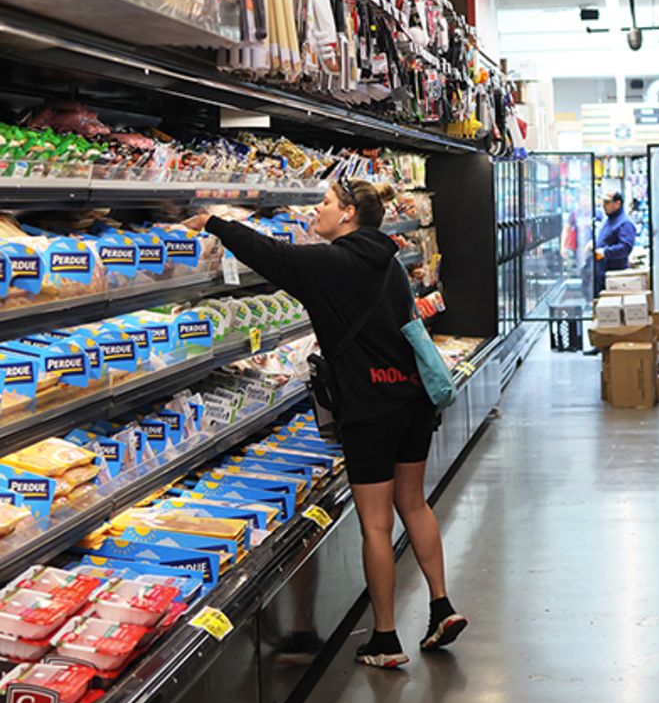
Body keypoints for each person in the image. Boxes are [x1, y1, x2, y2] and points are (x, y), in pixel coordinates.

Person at [184, 179, 466, 669]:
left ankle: (384, 639)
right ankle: (442, 605)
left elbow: (267, 253)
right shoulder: (392, 264)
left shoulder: (327, 264)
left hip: (369, 407)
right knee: (414, 503)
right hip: (413, 400)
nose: (318, 211)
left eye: (327, 204)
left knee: (376, 525)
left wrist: (212, 221)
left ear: (350, 213)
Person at [594, 191, 636, 296]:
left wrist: (605, 252)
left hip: (613, 274)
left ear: (617, 204)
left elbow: (625, 247)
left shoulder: (625, 223)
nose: (604, 206)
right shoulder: (608, 219)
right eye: (603, 202)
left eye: (607, 203)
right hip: (602, 271)